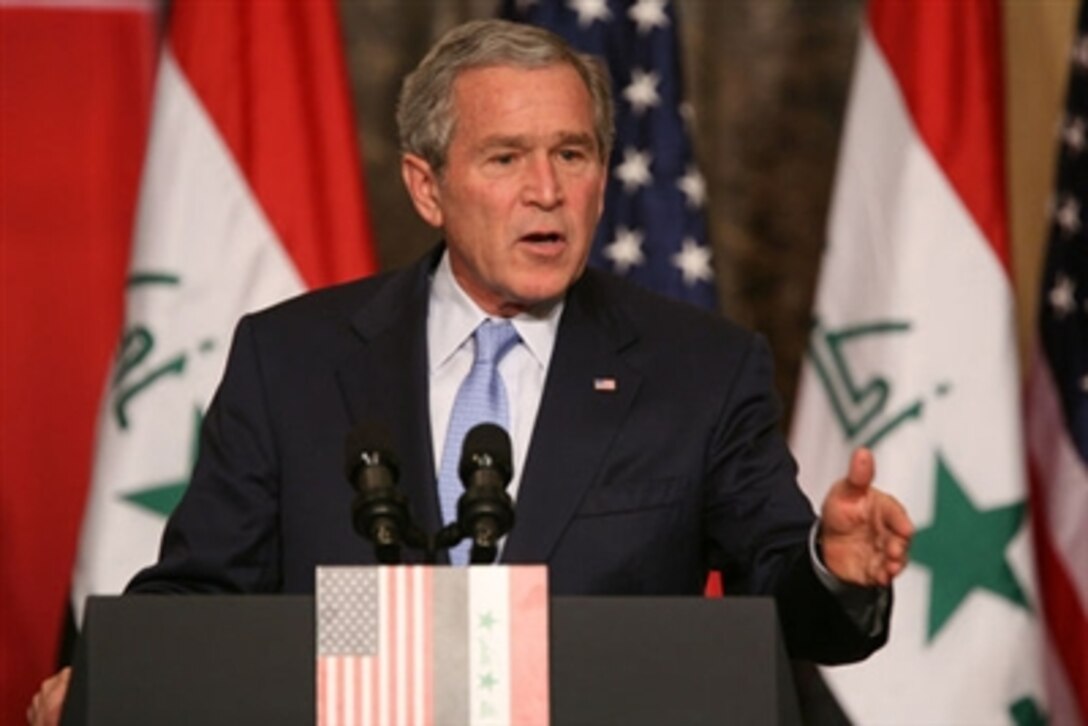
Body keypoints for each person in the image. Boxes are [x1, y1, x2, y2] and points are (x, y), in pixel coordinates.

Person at [29, 18, 912, 725]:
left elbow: (786, 609)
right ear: (427, 187)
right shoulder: (291, 358)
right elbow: (202, 592)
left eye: (572, 154)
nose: (547, 190)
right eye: (505, 157)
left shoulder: (701, 370)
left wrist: (831, 566)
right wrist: (116, 681)